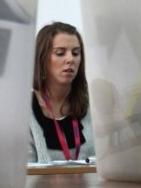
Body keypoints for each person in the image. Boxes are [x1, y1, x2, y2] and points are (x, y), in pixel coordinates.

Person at [28, 22, 95, 162]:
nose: (70, 59)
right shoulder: (24, 111)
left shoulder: (94, 104)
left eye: (76, 53)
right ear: (42, 59)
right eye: (60, 53)